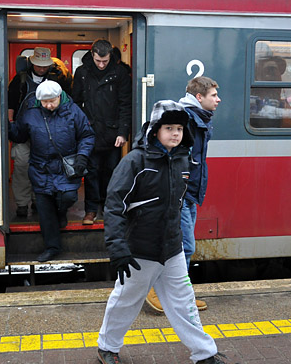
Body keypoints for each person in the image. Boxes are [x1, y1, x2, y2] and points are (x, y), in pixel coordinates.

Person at [97, 100, 226, 364]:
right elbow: (114, 205)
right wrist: (118, 247)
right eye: (169, 128)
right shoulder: (135, 161)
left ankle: (204, 353)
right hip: (139, 249)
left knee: (185, 302)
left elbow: (178, 204)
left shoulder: (182, 160)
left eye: (179, 128)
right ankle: (107, 347)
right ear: (155, 130)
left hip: (171, 248)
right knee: (126, 301)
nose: (175, 133)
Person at [145, 76, 221, 314]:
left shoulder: (198, 118)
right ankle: (159, 292)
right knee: (183, 246)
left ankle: (179, 294)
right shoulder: (186, 119)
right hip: (181, 192)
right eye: (213, 95)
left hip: (189, 192)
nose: (218, 99)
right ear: (199, 97)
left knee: (182, 245)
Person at [8, 80, 94, 262]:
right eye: (45, 102)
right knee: (45, 209)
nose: (48, 106)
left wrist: (82, 156)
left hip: (65, 167)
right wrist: (7, 126)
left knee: (68, 196)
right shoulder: (31, 113)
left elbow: (87, 135)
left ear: (59, 97)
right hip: (41, 168)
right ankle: (52, 247)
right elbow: (20, 135)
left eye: (52, 101)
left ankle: (61, 212)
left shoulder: (73, 111)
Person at [8, 47, 73, 217]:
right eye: (39, 65)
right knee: (22, 166)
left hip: (46, 133)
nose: (42, 69)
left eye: (45, 66)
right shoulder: (20, 80)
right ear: (32, 63)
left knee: (42, 168)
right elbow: (11, 104)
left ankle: (39, 199)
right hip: (22, 132)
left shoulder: (56, 80)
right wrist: (11, 125)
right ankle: (22, 203)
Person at [73, 39, 131, 225]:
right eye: (98, 60)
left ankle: (108, 207)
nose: (101, 65)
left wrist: (123, 132)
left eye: (105, 61)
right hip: (89, 131)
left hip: (113, 132)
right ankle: (90, 210)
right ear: (92, 54)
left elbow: (125, 104)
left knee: (111, 172)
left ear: (110, 57)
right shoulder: (82, 73)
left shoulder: (120, 73)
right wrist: (80, 128)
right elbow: (75, 103)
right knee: (91, 172)